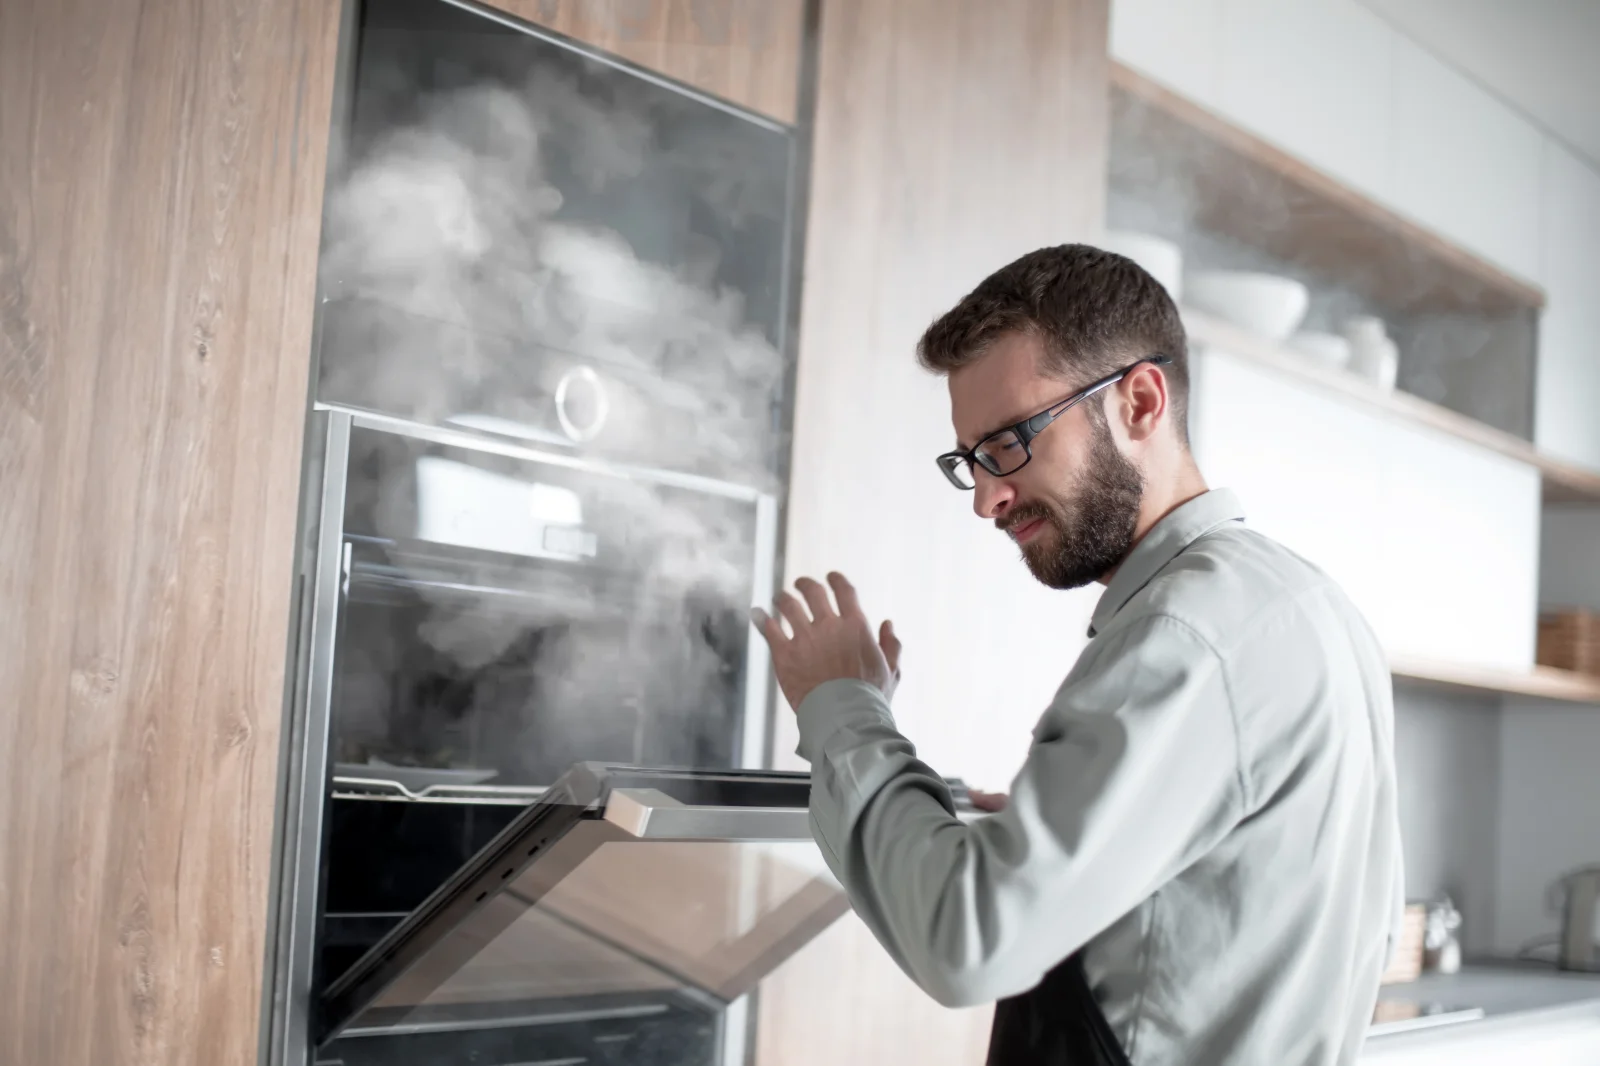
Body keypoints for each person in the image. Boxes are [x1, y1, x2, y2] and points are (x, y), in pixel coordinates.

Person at [750, 244, 1404, 1066]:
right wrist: (1051, 845)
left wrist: (844, 709)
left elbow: (968, 942)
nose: (988, 496)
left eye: (1012, 442)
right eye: (972, 461)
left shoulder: (1185, 635)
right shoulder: (1305, 604)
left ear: (1139, 401)